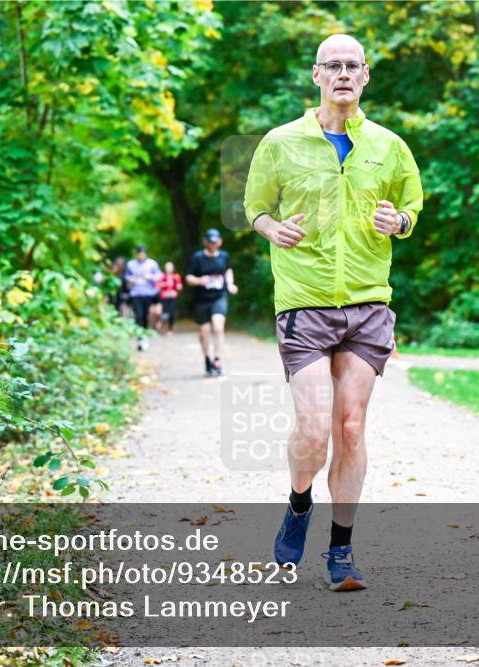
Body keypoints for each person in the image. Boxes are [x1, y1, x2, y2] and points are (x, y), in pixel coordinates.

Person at [243, 34, 423, 591]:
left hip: (368, 303)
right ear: (316, 76)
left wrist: (401, 222)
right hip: (304, 302)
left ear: (365, 76)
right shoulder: (279, 143)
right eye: (333, 65)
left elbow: (412, 206)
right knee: (316, 426)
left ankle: (341, 552)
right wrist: (272, 228)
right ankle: (299, 504)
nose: (343, 73)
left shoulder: (389, 147)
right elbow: (255, 209)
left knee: (350, 424)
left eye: (353, 65)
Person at [185, 228, 238, 376]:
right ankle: (207, 358)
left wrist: (230, 284)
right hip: (201, 299)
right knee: (204, 333)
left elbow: (228, 270)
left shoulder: (224, 256)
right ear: (205, 242)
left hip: (219, 296)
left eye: (215, 242)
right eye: (210, 242)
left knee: (218, 326)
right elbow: (188, 277)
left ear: (219, 242)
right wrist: (199, 280)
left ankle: (217, 360)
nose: (213, 245)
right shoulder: (197, 258)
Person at [125, 245, 163, 351]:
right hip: (136, 294)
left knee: (147, 316)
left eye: (142, 253)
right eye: (139, 253)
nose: (140, 255)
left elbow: (159, 275)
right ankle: (140, 338)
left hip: (149, 294)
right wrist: (131, 279)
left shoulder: (152, 264)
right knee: (138, 315)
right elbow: (126, 277)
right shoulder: (131, 265)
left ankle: (145, 335)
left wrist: (151, 277)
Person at [155, 261, 183, 335]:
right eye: (167, 267)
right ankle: (161, 324)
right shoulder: (162, 276)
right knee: (165, 313)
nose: (169, 269)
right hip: (164, 297)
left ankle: (169, 328)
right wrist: (163, 284)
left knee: (172, 313)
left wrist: (178, 287)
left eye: (170, 267)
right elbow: (157, 285)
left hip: (173, 297)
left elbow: (179, 286)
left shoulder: (176, 276)